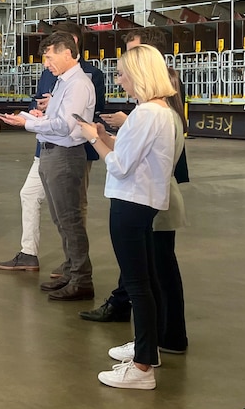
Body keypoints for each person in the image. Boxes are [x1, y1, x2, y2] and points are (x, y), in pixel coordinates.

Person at [75, 44, 177, 390]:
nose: (119, 81)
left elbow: (120, 165)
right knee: (145, 278)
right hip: (142, 200)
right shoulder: (158, 111)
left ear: (139, 75)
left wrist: (95, 140)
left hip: (131, 202)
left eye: (122, 74)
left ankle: (143, 368)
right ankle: (147, 348)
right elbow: (133, 152)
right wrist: (107, 137)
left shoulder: (147, 113)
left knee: (138, 283)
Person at [0, 21, 105, 275]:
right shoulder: (61, 80)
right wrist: (35, 117)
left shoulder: (79, 82)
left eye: (49, 56)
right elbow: (56, 116)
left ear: (68, 50)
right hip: (50, 150)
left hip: (65, 153)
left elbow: (66, 125)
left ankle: (78, 273)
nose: (46, 63)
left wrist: (27, 123)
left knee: (70, 215)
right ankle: (69, 267)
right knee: (59, 214)